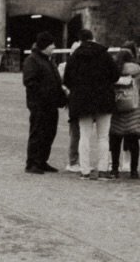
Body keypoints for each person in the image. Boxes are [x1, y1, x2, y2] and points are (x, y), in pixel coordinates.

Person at [63, 29, 118, 180]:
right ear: (93, 38)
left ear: (80, 40)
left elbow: (67, 79)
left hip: (82, 101)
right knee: (103, 137)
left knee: (84, 136)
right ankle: (103, 170)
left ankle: (85, 170)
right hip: (104, 99)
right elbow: (115, 75)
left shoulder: (75, 56)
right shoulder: (104, 54)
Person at [22, 31, 67, 173]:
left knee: (49, 133)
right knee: (38, 133)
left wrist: (60, 96)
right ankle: (32, 163)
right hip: (39, 104)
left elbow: (55, 80)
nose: (54, 46)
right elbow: (30, 82)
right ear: (45, 45)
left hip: (51, 104)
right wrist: (45, 94)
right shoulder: (32, 60)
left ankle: (42, 160)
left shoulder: (48, 60)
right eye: (51, 44)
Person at [109, 44, 140, 179]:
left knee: (115, 141)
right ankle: (133, 170)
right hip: (134, 109)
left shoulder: (114, 71)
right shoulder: (137, 71)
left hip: (117, 110)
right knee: (133, 142)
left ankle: (114, 169)